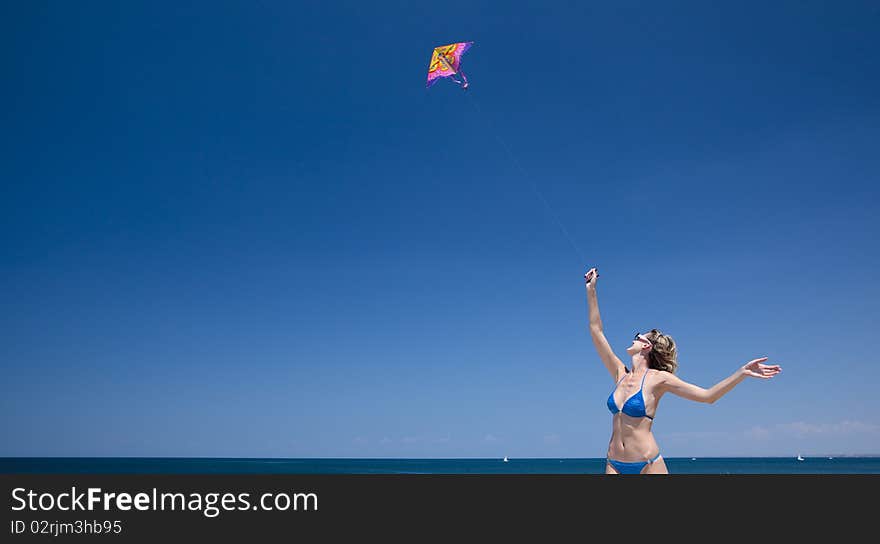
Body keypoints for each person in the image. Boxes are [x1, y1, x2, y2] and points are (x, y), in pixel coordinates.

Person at [583, 267, 781, 474]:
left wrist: (742, 372)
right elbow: (596, 330)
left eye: (638, 335)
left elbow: (708, 396)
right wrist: (591, 290)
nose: (633, 337)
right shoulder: (619, 374)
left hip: (647, 464)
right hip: (613, 463)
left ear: (646, 346)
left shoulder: (659, 379)